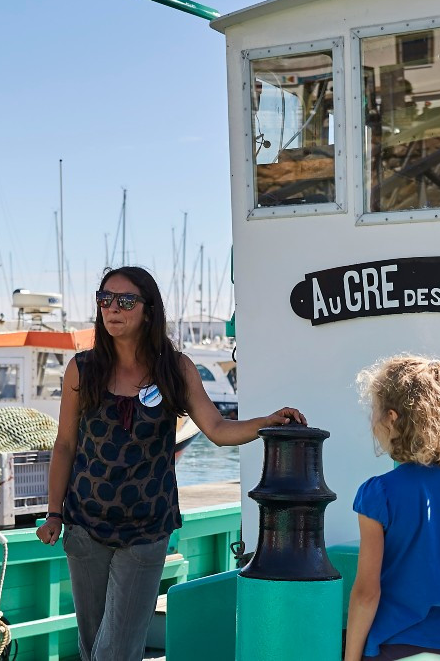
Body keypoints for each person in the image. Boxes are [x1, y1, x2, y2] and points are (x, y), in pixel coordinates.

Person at [37, 265, 305, 661]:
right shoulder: (82, 369)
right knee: (92, 644)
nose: (113, 308)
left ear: (148, 310)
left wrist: (265, 423)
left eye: (125, 301)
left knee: (116, 651)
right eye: (105, 299)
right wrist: (54, 514)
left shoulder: (174, 370)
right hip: (84, 525)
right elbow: (64, 445)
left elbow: (216, 428)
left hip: (147, 528)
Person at [345, 355, 440, 661]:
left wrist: (351, 657)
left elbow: (367, 594)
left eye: (376, 412)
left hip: (391, 645)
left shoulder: (378, 493)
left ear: (392, 418)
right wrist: (432, 609)